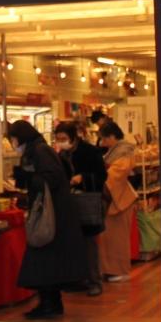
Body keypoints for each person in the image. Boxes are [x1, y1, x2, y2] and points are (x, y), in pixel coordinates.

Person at [6, 120, 87, 318]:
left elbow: (51, 179)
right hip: (54, 212)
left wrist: (26, 177)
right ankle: (51, 302)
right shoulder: (38, 149)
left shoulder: (40, 151)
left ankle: (49, 304)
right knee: (48, 261)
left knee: (44, 259)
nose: (13, 144)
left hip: (52, 214)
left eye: (14, 139)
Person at [54, 120, 107, 296]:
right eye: (58, 138)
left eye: (63, 138)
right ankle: (78, 279)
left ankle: (94, 281)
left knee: (89, 243)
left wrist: (83, 177)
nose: (61, 141)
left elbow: (102, 176)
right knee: (73, 242)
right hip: (69, 203)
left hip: (87, 202)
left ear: (73, 136)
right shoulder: (61, 155)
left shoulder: (90, 151)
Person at [97, 121, 139, 282]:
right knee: (108, 238)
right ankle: (109, 269)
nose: (102, 142)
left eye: (104, 138)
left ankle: (119, 270)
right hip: (114, 198)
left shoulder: (124, 151)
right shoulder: (115, 151)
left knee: (118, 239)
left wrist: (100, 179)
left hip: (120, 199)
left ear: (112, 136)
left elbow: (117, 175)